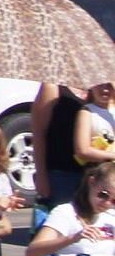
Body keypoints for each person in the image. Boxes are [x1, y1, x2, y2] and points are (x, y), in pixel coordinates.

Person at [33, 79, 115, 210]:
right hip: (61, 173)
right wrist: (41, 175)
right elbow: (38, 132)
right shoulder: (53, 86)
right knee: (61, 219)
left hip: (93, 175)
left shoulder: (99, 89)